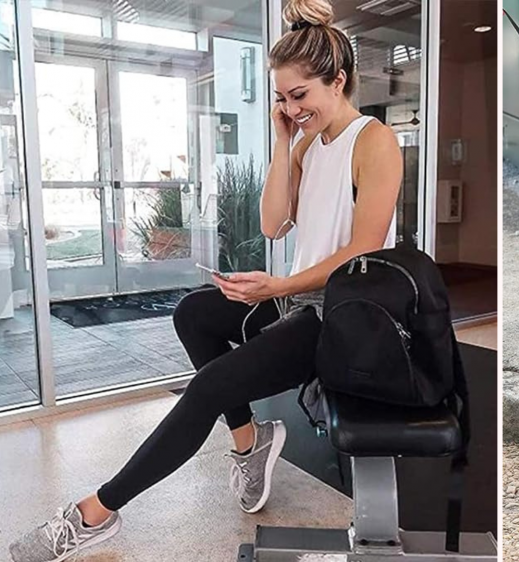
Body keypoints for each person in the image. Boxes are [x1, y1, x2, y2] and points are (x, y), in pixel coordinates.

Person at [9, 0, 401, 560]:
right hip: (301, 301)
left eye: (301, 96)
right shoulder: (307, 141)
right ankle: (250, 443)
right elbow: (273, 222)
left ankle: (95, 514)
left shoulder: (374, 141)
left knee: (210, 386)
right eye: (282, 98)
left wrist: (278, 288)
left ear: (337, 80)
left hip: (344, 317)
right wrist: (284, 140)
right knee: (194, 312)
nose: (292, 107)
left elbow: (361, 252)